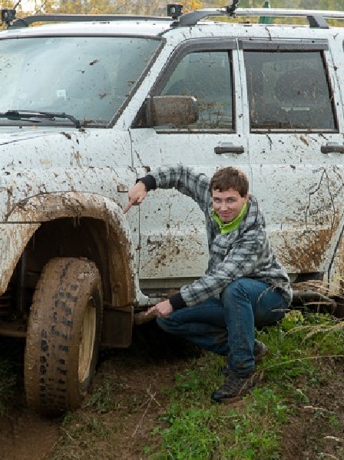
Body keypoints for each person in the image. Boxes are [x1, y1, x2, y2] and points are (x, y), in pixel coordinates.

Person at [124, 164, 291, 402]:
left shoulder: (253, 236)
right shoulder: (212, 198)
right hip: (228, 295)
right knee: (169, 320)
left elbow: (220, 278)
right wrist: (145, 184)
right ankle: (246, 347)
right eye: (218, 200)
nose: (223, 207)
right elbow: (181, 173)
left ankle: (242, 370)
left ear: (245, 197)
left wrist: (175, 300)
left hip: (269, 297)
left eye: (231, 200)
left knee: (236, 288)